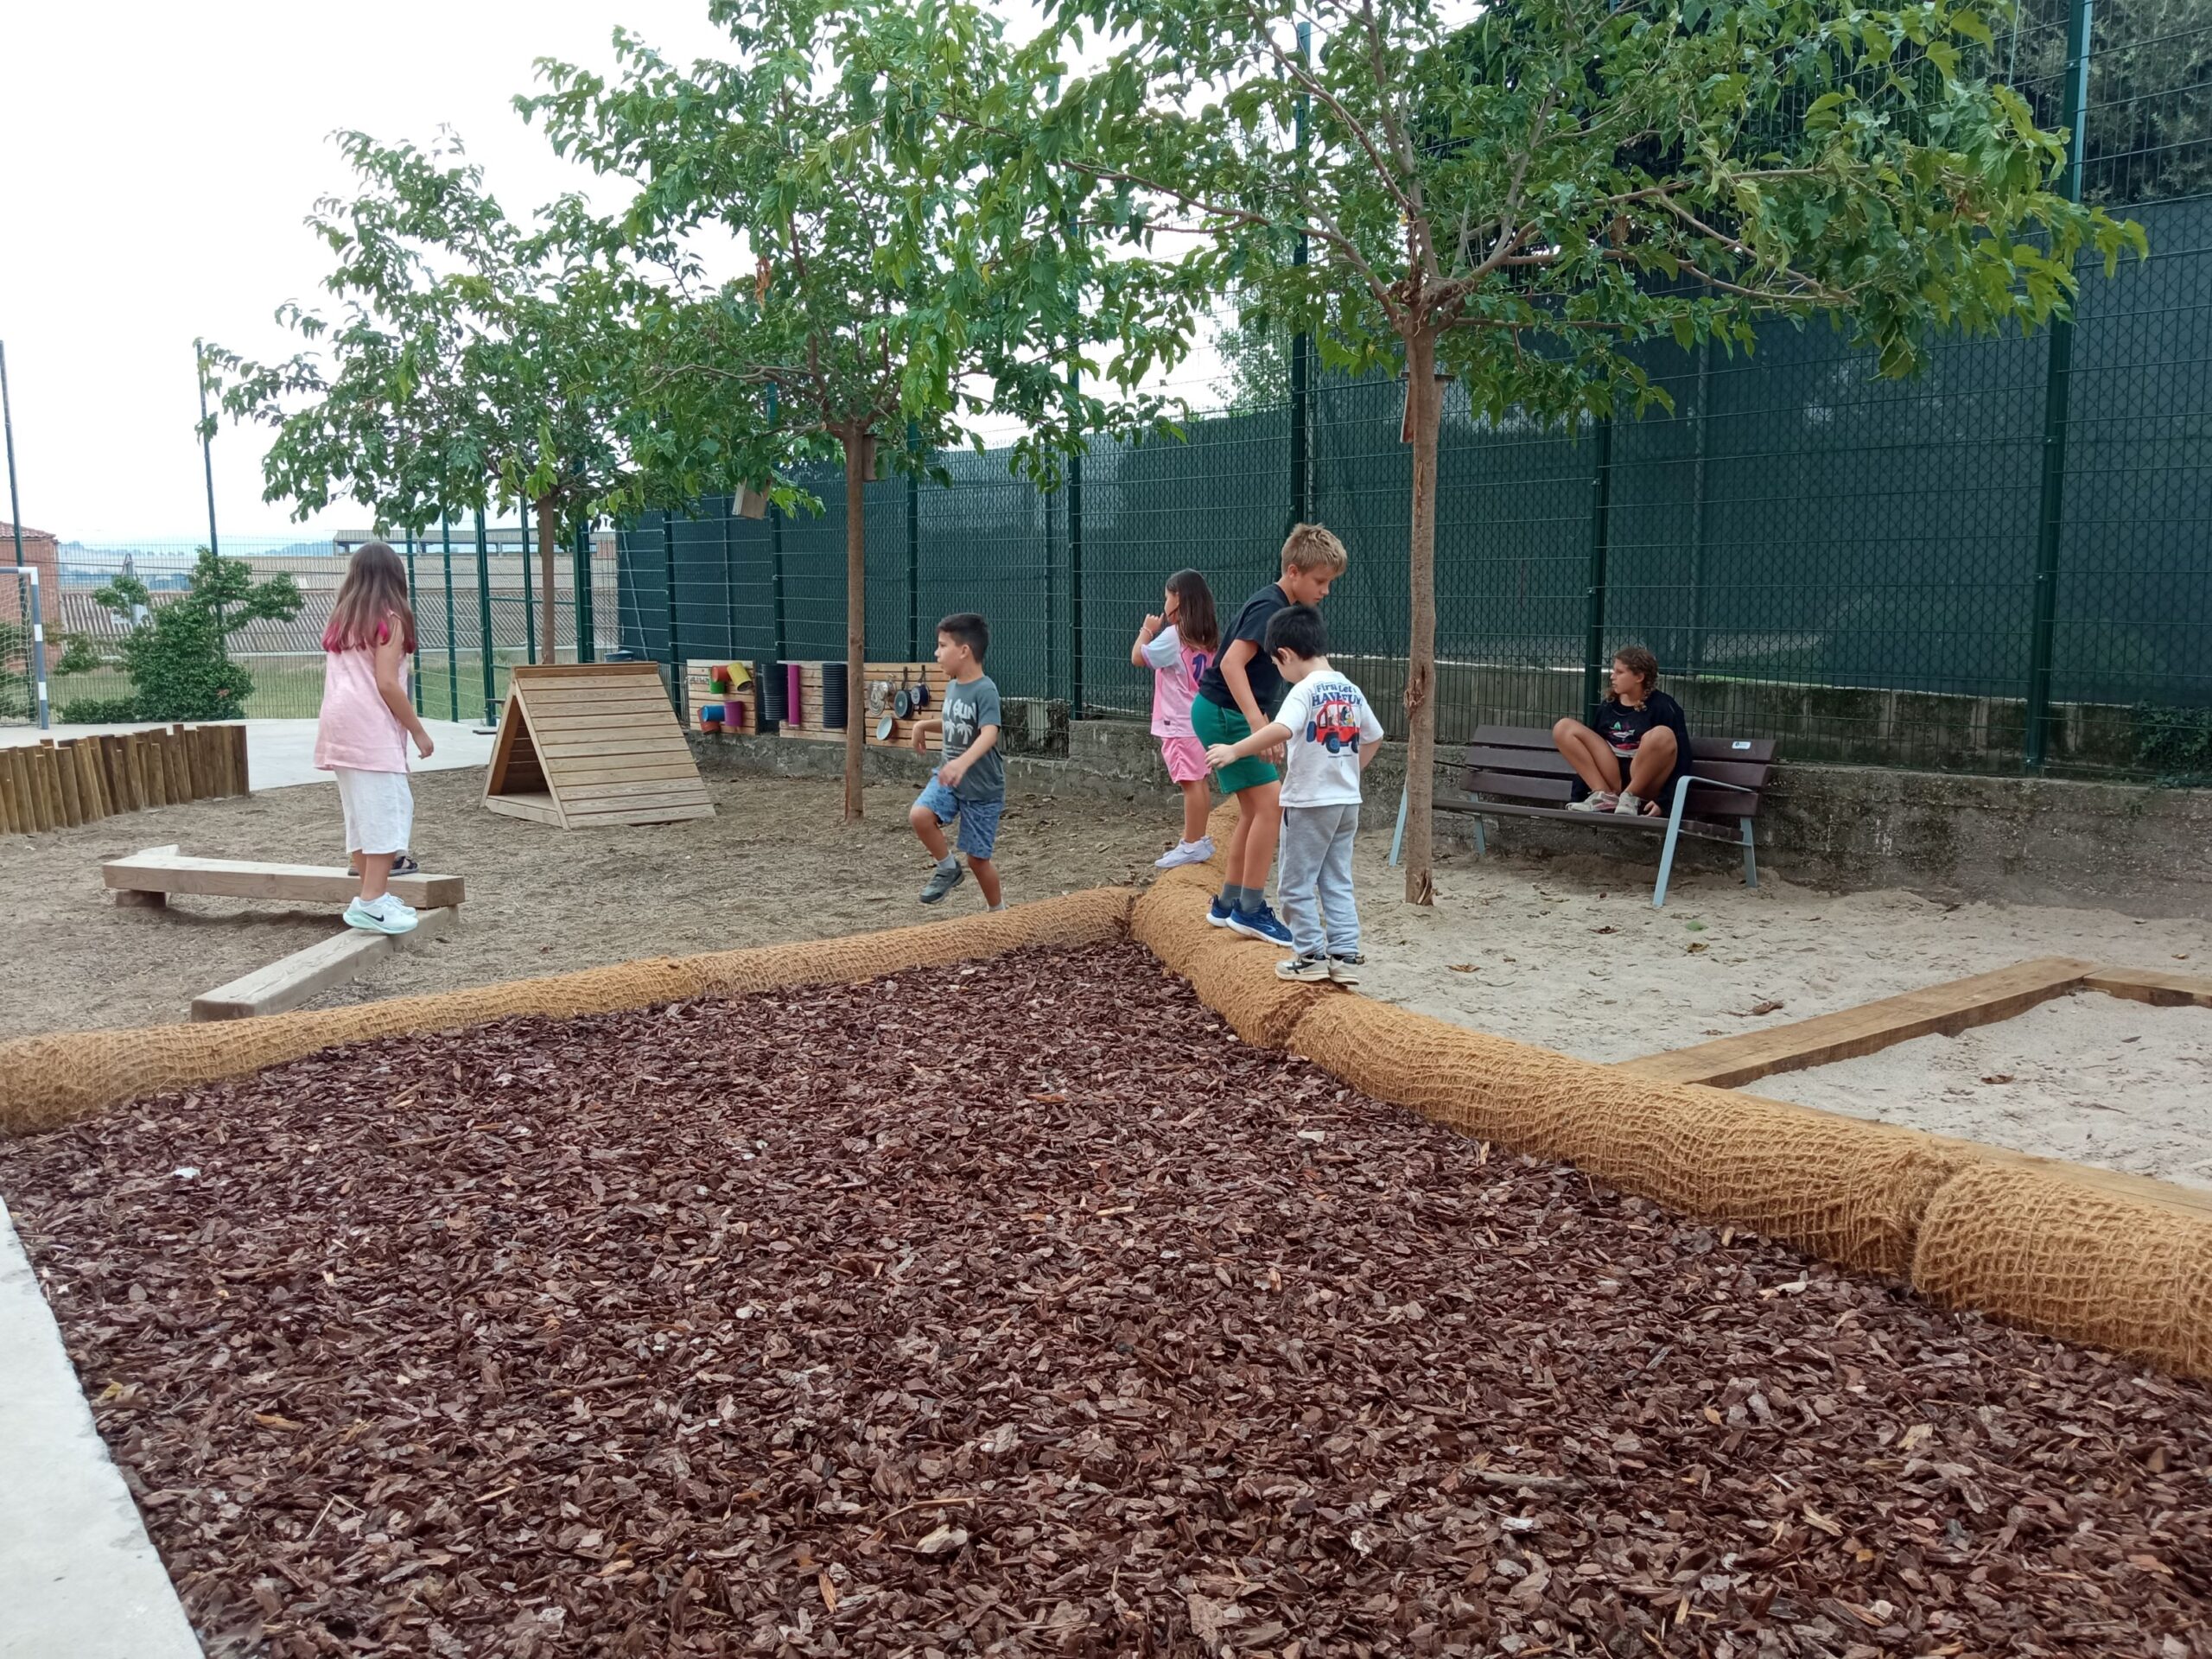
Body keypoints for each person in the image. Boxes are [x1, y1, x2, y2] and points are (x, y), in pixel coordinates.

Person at [1203, 603, 1382, 983]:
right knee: (1337, 879)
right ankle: (1346, 956)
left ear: (1284, 654)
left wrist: (1235, 750)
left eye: (1276, 665)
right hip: (1346, 802)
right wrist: (1348, 773)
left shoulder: (1305, 691)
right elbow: (1375, 736)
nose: (1279, 673)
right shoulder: (1349, 689)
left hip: (1309, 803)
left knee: (1295, 883)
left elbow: (1281, 729)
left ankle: (1310, 955)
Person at [1190, 523, 1351, 944]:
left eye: (1329, 583)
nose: (1325, 591)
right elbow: (1230, 664)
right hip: (1225, 712)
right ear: (1293, 572)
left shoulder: (1276, 604)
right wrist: (1258, 724)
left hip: (1220, 710)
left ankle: (1229, 902)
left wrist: (1259, 717)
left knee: (1253, 808)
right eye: (1320, 581)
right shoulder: (1269, 606)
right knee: (1271, 805)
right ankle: (1250, 909)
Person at [315, 541, 435, 935]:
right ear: (396, 576)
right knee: (388, 810)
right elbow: (387, 683)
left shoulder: (344, 620)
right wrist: (417, 730)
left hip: (338, 724)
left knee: (359, 813)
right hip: (369, 726)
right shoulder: (390, 619)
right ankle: (371, 902)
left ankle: (372, 896)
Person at [908, 613, 1006, 910]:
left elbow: (989, 732)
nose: (936, 653)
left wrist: (962, 763)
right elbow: (955, 723)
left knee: (977, 860)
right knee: (920, 816)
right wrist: (923, 725)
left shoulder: (985, 689)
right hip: (949, 778)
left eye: (942, 645)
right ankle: (948, 868)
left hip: (982, 790)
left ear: (964, 651)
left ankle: (999, 913)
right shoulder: (953, 686)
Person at [1131, 569, 1221, 869]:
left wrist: (1147, 630)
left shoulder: (1174, 636)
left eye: (1167, 597)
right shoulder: (1207, 635)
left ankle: (1192, 844)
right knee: (1199, 781)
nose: (1164, 603)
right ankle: (1198, 839)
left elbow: (1138, 657)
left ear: (1178, 599)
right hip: (1199, 720)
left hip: (1178, 723)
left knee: (1190, 783)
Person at [1553, 645, 1692, 817]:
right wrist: (1578, 797)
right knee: (1564, 727)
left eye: (1619, 672)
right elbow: (1590, 754)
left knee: (1662, 734)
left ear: (1639, 677)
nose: (1612, 676)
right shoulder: (1608, 705)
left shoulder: (1664, 706)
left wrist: (1665, 802)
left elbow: (1683, 758)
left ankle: (1630, 796)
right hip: (1613, 777)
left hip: (1645, 781)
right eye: (1613, 671)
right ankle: (1602, 795)